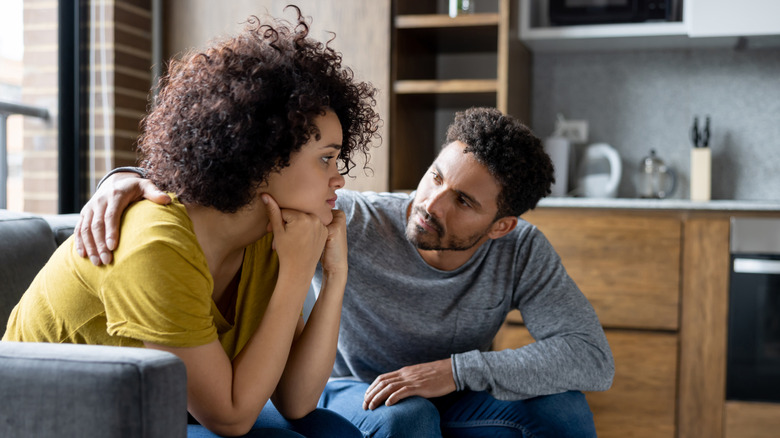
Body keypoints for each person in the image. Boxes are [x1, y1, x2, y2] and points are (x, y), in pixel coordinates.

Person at [74, 107, 615, 437]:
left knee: (564, 411)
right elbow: (236, 181)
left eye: (464, 202)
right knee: (408, 421)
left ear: (501, 226)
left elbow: (590, 358)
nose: (431, 203)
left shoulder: (522, 251)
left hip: (451, 392)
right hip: (346, 390)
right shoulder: (351, 217)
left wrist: (451, 372)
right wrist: (128, 178)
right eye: (434, 177)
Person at [3, 7, 380, 438]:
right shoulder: (155, 243)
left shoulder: (267, 235)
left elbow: (296, 400)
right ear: (259, 154)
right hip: (57, 421)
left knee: (334, 432)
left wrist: (334, 276)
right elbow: (231, 417)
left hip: (159, 412)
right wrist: (295, 274)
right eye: (326, 158)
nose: (340, 177)